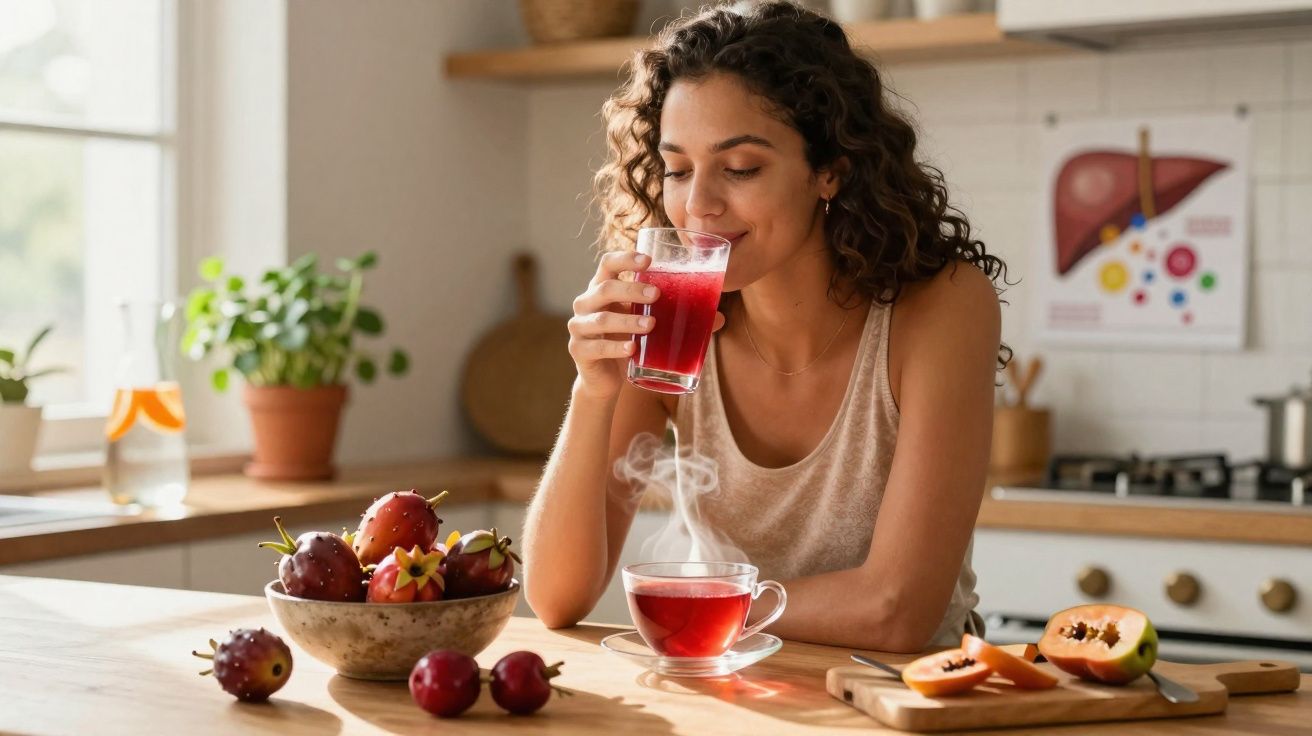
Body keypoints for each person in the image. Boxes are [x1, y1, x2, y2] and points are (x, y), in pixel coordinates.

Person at [521, 0, 1009, 652]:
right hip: (733, 694)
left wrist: (697, 605)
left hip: (901, 703)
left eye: (741, 168)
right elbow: (555, 595)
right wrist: (594, 392)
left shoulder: (940, 308)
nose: (698, 206)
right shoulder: (670, 316)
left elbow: (896, 612)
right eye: (678, 169)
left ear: (830, 170)